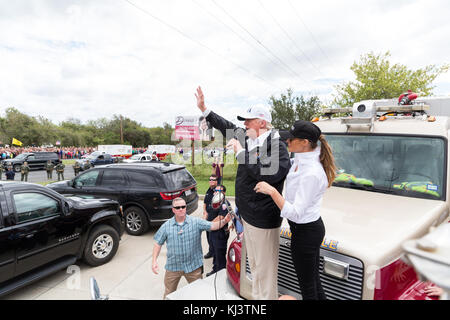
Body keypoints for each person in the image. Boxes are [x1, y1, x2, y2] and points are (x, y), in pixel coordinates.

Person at [195, 86, 291, 299]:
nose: (244, 124)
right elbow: (225, 125)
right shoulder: (248, 138)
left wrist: (239, 152)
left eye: (249, 120)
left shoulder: (277, 147)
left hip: (263, 220)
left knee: (265, 273)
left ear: (262, 123)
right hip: (247, 217)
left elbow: (266, 175)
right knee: (254, 268)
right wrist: (204, 109)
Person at [255, 120, 337, 300]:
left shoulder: (312, 173)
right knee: (314, 282)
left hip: (306, 233)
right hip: (305, 230)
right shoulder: (301, 158)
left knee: (308, 288)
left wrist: (272, 192)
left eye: (291, 139)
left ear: (305, 142)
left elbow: (295, 212)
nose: (287, 142)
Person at [151, 197, 232, 299]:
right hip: (173, 267)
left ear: (186, 208)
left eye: (183, 207)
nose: (181, 209)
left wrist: (224, 221)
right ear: (173, 209)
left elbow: (212, 226)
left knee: (198, 294)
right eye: (177, 207)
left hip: (193, 267)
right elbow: (157, 244)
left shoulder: (196, 222)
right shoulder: (166, 226)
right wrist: (154, 261)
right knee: (168, 293)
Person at [205, 184, 231, 277]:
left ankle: (220, 272)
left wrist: (208, 225)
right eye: (215, 190)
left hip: (220, 233)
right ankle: (215, 269)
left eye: (218, 191)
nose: (216, 192)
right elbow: (208, 211)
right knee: (215, 252)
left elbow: (221, 217)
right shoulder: (214, 201)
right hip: (212, 230)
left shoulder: (225, 204)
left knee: (219, 253)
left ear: (223, 193)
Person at [203, 174, 218, 259]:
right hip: (208, 217)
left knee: (214, 237)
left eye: (213, 180)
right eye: (210, 179)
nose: (211, 181)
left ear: (216, 181)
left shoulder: (218, 191)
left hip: (214, 218)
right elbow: (205, 202)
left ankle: (215, 252)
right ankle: (211, 251)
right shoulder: (209, 190)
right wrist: (204, 212)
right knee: (208, 236)